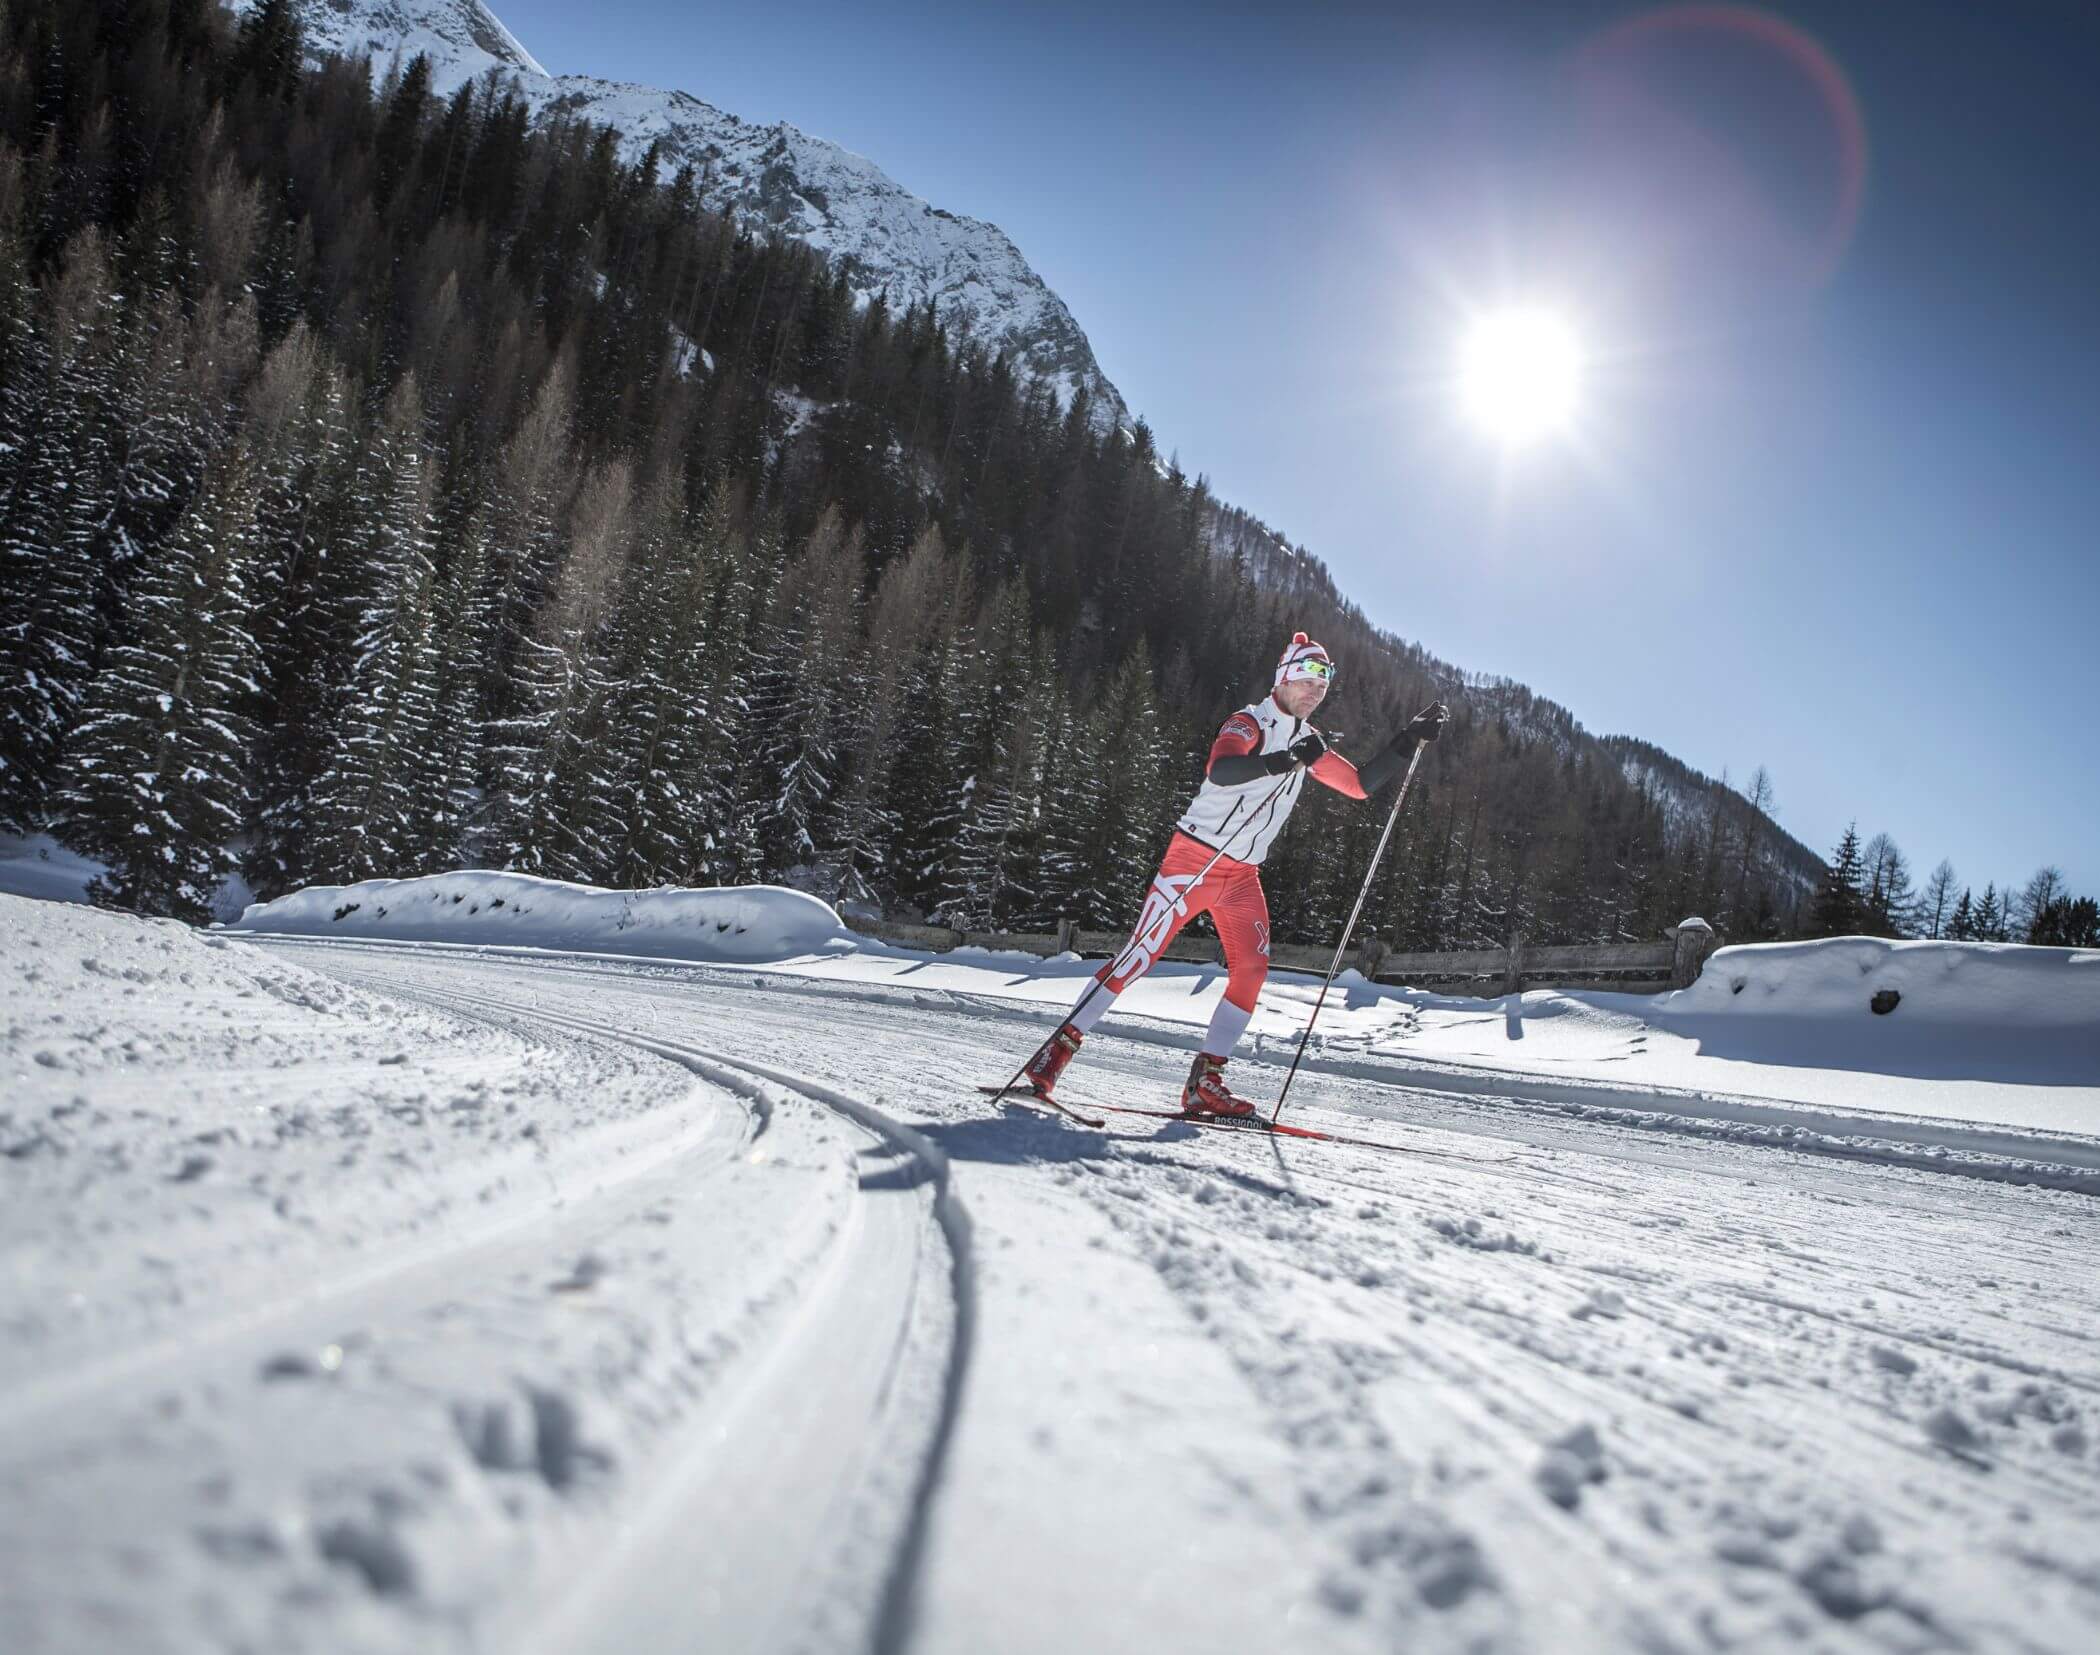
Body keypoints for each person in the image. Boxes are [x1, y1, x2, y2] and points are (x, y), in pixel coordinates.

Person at [1024, 632, 1448, 1117]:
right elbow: (1222, 770)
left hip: (1242, 876)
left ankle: (1206, 1081)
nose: (1315, 690)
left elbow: (1357, 785)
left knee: (1251, 970)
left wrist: (1406, 739)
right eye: (1306, 678)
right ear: (1284, 678)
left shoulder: (1307, 740)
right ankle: (1052, 1056)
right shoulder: (1250, 721)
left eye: (1324, 682)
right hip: (1194, 859)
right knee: (1138, 957)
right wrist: (1288, 759)